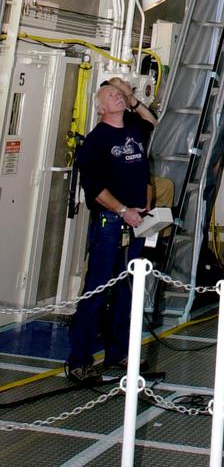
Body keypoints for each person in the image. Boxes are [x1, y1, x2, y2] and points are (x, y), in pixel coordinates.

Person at [66, 78, 157, 383]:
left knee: (126, 290)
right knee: (97, 289)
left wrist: (146, 199)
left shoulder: (133, 129)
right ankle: (79, 360)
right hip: (111, 223)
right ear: (101, 108)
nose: (117, 97)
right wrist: (121, 210)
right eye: (111, 95)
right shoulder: (96, 141)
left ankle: (117, 353)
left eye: (119, 94)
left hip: (136, 224)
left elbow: (151, 122)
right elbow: (93, 187)